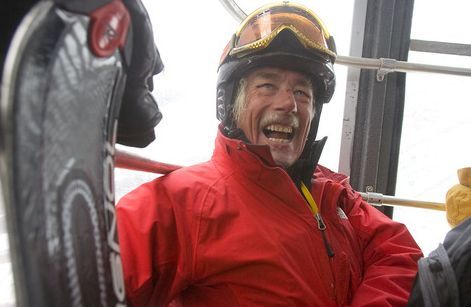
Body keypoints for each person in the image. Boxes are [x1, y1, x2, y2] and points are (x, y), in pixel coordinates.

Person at [116, 2, 423, 306]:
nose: (288, 104)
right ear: (231, 105)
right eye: (267, 85)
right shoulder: (182, 204)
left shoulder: (330, 192)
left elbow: (398, 252)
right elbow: (83, 276)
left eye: (302, 92)